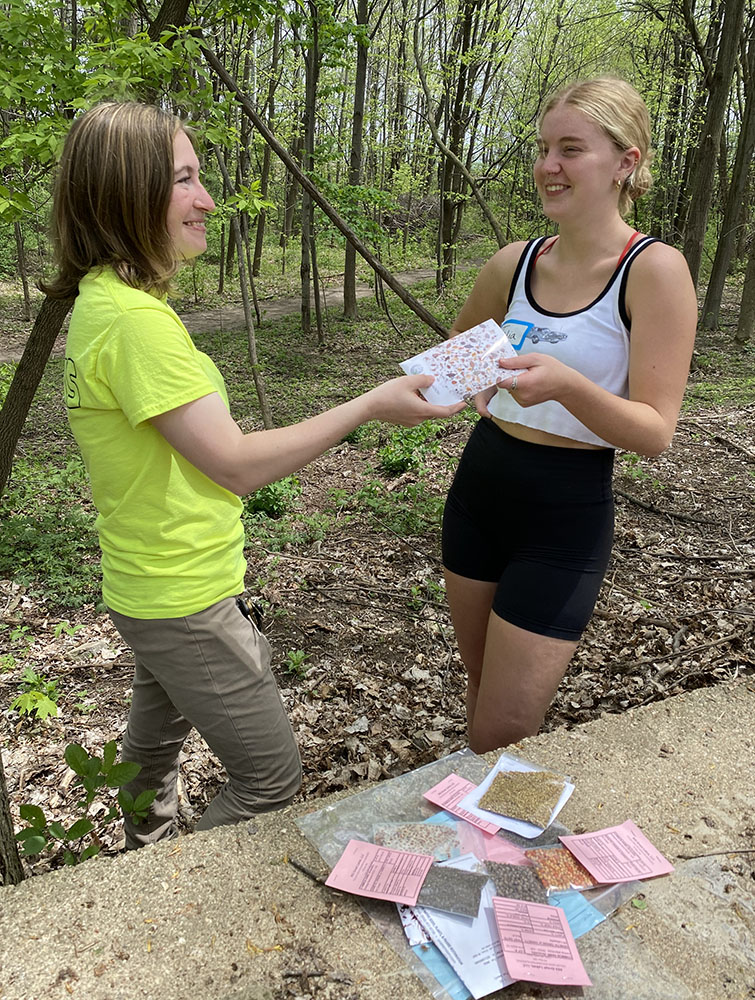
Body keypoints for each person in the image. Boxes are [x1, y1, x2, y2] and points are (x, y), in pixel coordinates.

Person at [43, 101, 463, 849]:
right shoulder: (134, 324)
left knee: (149, 755)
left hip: (150, 585)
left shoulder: (107, 304)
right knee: (271, 782)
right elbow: (234, 465)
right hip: (182, 598)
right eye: (184, 180)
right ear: (126, 195)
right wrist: (367, 405)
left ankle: (132, 867)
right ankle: (166, 901)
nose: (207, 200)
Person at [441, 77, 697, 754]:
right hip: (479, 490)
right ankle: (469, 846)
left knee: (505, 728)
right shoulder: (512, 264)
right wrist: (444, 383)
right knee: (479, 685)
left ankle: (483, 836)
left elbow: (655, 431)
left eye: (570, 149)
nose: (547, 166)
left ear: (625, 162)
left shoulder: (654, 271)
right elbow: (455, 369)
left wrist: (564, 386)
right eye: (543, 148)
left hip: (563, 514)